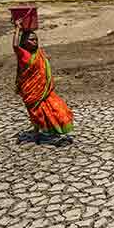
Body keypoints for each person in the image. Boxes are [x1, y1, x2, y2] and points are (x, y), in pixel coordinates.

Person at [11, 10, 74, 145]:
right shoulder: (24, 55)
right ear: (25, 41)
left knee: (58, 108)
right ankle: (50, 136)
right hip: (32, 91)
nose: (35, 42)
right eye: (31, 40)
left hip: (44, 91)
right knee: (38, 113)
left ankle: (39, 133)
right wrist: (17, 28)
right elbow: (15, 45)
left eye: (36, 39)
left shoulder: (38, 53)